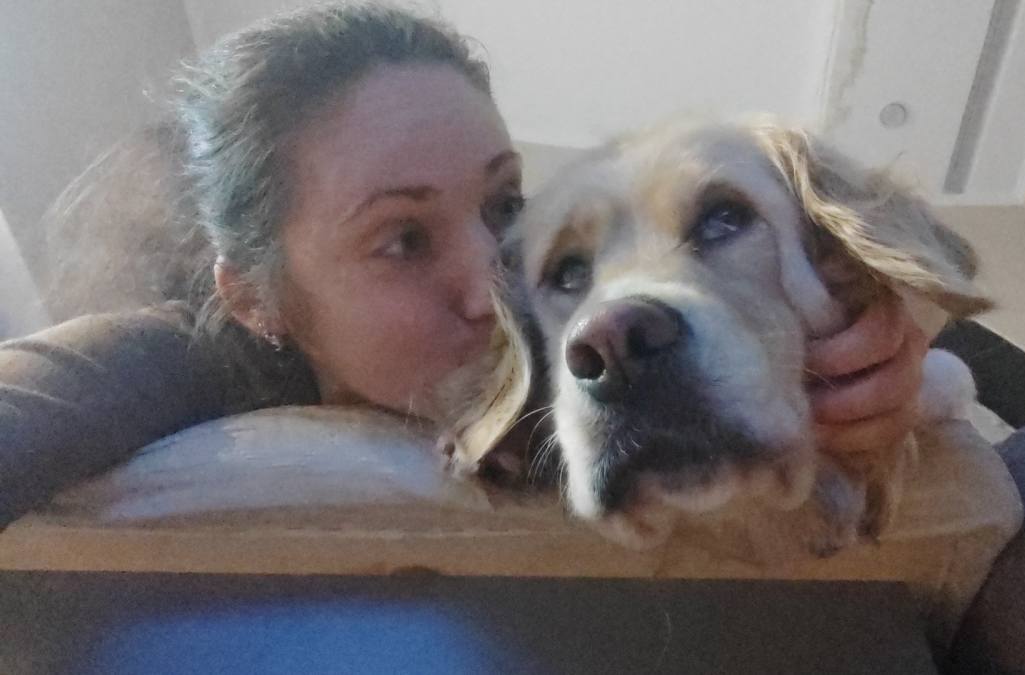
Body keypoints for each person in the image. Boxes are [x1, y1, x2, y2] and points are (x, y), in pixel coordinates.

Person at [0, 3, 932, 529]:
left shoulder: (592, 314)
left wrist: (890, 333)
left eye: (505, 206)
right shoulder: (172, 362)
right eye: (403, 238)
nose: (500, 282)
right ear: (255, 300)